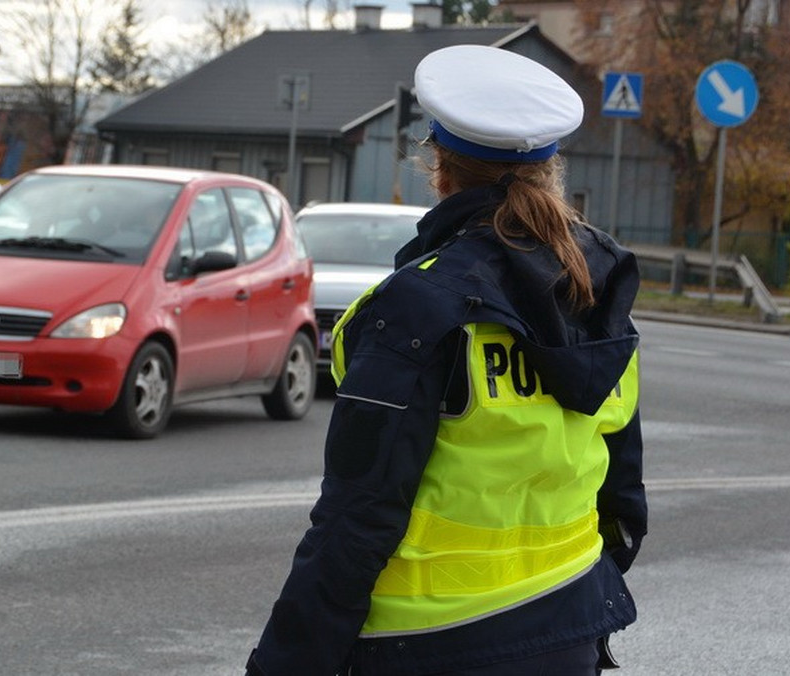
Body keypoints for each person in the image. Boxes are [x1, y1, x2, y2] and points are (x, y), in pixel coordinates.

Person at [246, 44, 646, 675]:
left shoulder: (416, 305)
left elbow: (357, 519)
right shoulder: (595, 290)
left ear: (440, 170)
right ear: (552, 170)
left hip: (430, 642)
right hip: (568, 624)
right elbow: (622, 497)